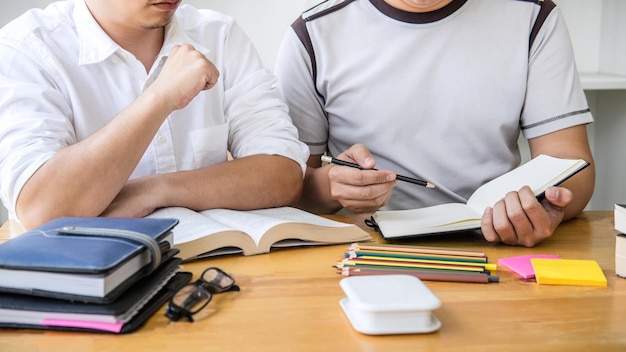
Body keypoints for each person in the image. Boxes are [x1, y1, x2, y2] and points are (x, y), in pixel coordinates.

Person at [274, 0, 595, 247]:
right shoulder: (313, 35)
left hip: (499, 244)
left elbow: (570, 162)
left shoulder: (532, 17)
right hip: (366, 247)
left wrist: (539, 207)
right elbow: (290, 187)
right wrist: (330, 187)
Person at [0, 0, 310, 230]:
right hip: (85, 286)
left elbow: (283, 175)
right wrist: (159, 97)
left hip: (217, 272)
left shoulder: (220, 34)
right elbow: (42, 208)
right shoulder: (26, 49)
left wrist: (156, 190)